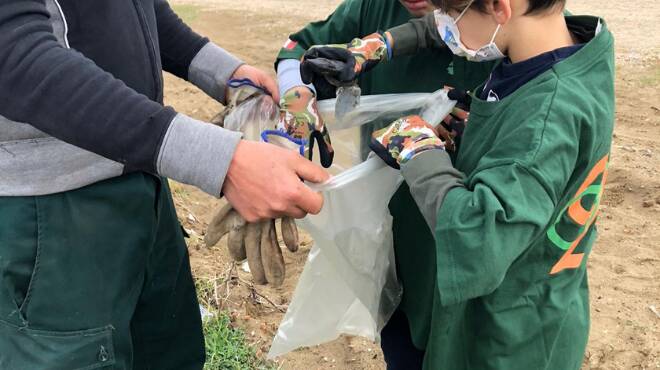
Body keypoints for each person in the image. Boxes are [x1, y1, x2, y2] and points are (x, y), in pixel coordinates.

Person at [0, 1, 328, 369]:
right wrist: (222, 161)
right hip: (50, 210)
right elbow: (13, 53)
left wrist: (226, 72)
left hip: (140, 172)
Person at [300, 0, 615, 369]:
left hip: (504, 340)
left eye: (450, 14)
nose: (444, 26)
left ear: (500, 7)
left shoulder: (545, 120)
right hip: (538, 299)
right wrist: (373, 48)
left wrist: (418, 150)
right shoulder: (556, 46)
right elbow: (437, 31)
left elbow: (479, 242)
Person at [275, 0, 493, 368]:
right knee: (404, 344)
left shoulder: (522, 26)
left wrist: (483, 122)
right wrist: (297, 95)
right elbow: (297, 51)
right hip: (396, 237)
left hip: (469, 245)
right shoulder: (373, 8)